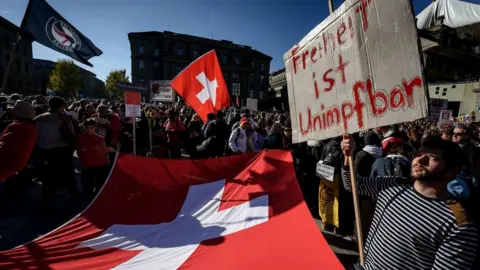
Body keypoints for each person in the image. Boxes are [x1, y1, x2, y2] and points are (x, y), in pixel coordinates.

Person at [341, 134, 477, 270]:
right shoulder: (392, 183)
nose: (421, 160)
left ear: (452, 172)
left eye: (434, 158)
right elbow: (352, 185)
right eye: (420, 154)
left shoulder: (458, 224)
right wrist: (348, 156)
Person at [35, 97, 79, 207]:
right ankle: (74, 196)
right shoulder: (62, 118)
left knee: (47, 178)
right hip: (60, 151)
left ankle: (45, 201)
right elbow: (69, 136)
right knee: (68, 175)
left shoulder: (38, 118)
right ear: (61, 106)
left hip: (43, 151)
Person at [76, 119, 114, 198]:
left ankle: (97, 199)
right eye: (87, 128)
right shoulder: (81, 138)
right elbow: (80, 151)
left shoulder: (100, 138)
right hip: (88, 165)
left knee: (99, 185)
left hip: (100, 165)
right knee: (87, 185)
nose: (89, 130)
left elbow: (102, 152)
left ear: (95, 127)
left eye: (91, 128)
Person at [0, 100, 37, 181]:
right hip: (16, 165)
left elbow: (4, 145)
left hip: (5, 164)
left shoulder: (17, 126)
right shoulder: (31, 127)